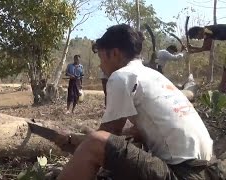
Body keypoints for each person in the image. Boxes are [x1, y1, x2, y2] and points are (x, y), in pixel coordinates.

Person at [57, 24, 226, 180]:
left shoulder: (121, 76)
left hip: (183, 173)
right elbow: (138, 131)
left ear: (114, 53)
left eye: (101, 58)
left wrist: (73, 139)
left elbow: (108, 134)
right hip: (209, 168)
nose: (101, 65)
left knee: (94, 142)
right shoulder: (153, 75)